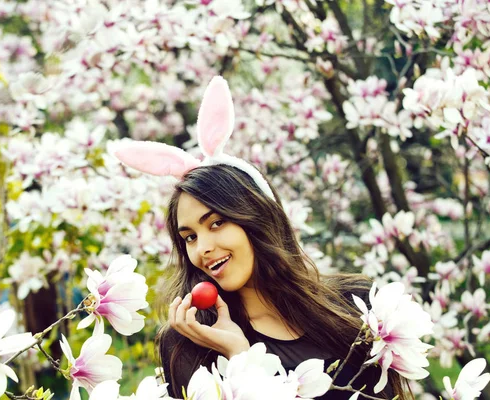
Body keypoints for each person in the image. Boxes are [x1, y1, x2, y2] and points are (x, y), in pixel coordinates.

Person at [114, 77, 411, 399]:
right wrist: (239, 355)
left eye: (216, 223)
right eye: (189, 237)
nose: (203, 249)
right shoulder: (189, 345)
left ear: (257, 217)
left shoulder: (358, 304)